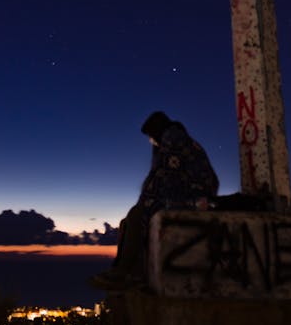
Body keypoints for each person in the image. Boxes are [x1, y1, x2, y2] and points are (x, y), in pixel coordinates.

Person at [91, 111, 219, 289]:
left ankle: (125, 272)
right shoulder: (175, 138)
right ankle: (125, 270)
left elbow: (166, 177)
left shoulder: (173, 139)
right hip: (185, 193)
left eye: (150, 137)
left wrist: (147, 202)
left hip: (194, 198)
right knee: (130, 219)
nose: (151, 141)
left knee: (137, 216)